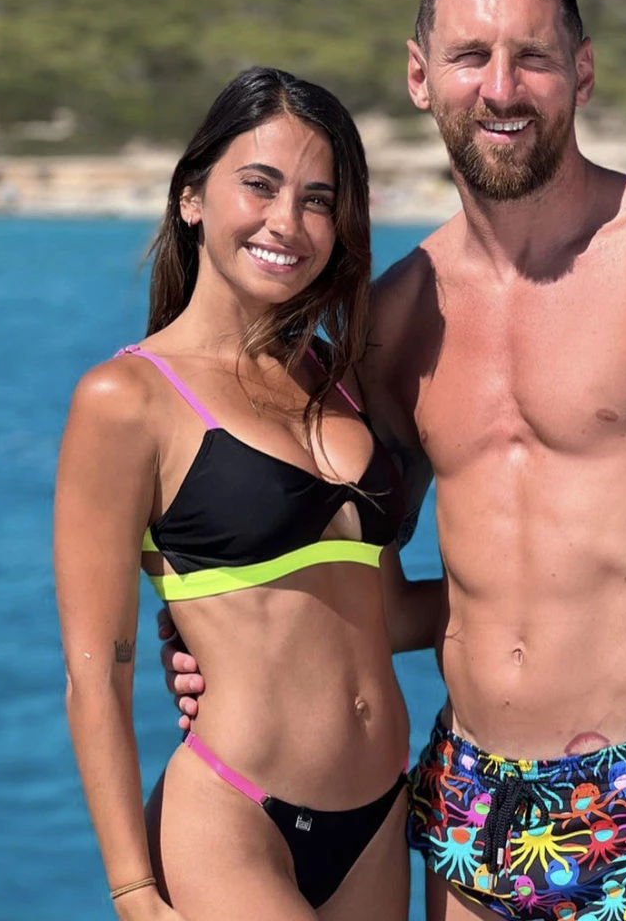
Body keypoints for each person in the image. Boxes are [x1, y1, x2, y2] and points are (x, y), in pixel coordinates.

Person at [166, 0, 626, 921]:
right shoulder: (395, 319)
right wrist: (221, 639)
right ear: (420, 76)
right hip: (470, 794)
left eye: (532, 56)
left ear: (580, 71)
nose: (499, 87)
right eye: (469, 56)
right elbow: (350, 557)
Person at [54, 66, 441, 921]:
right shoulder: (128, 401)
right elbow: (97, 676)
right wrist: (133, 891)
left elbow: (386, 615)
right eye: (258, 187)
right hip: (235, 821)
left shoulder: (336, 384)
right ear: (192, 197)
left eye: (316, 199)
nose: (286, 223)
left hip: (379, 817)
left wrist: (563, 601)